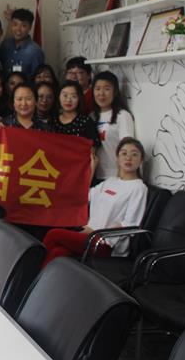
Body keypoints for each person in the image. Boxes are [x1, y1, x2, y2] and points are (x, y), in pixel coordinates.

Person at [41, 138, 148, 266]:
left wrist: (95, 232)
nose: (128, 158)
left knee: (54, 234)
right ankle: (37, 277)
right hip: (89, 235)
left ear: (141, 160)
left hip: (106, 243)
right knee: (58, 252)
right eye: (124, 153)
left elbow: (130, 224)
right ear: (117, 158)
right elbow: (83, 196)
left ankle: (30, 271)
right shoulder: (110, 182)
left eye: (134, 154)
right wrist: (92, 167)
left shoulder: (138, 187)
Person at [92, 71, 135, 182]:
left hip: (115, 176)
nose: (101, 93)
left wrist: (123, 175)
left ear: (115, 91)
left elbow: (127, 148)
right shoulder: (90, 116)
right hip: (94, 175)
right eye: (97, 89)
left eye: (107, 89)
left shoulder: (123, 116)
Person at [51, 81, 101, 153]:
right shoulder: (52, 121)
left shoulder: (85, 121)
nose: (68, 100)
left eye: (73, 96)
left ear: (79, 99)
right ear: (58, 97)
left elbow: (93, 146)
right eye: (65, 95)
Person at [1, 6, 45, 77]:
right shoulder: (6, 44)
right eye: (15, 24)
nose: (18, 29)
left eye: (23, 26)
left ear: (30, 27)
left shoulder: (35, 51)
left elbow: (37, 78)